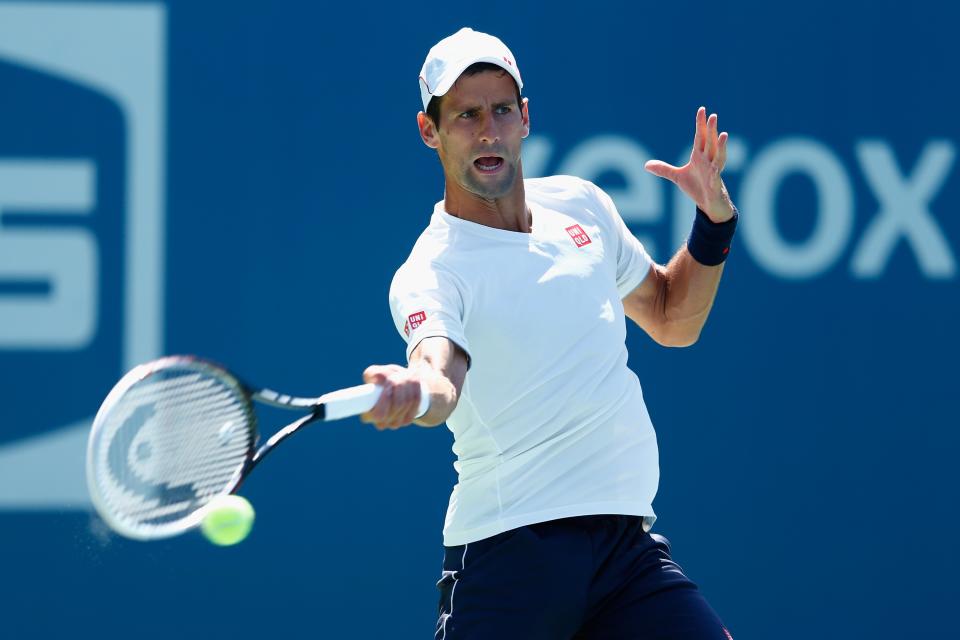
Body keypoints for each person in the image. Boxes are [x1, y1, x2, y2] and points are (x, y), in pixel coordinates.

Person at [361, 27, 738, 639]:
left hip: (626, 553)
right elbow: (441, 374)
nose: (488, 130)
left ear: (525, 118)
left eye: (502, 110)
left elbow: (672, 318)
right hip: (511, 560)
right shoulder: (430, 271)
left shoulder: (581, 205)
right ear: (429, 131)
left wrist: (713, 223)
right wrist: (417, 388)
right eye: (465, 115)